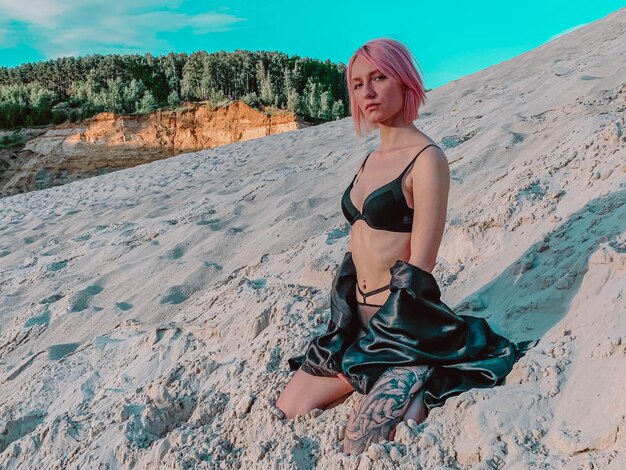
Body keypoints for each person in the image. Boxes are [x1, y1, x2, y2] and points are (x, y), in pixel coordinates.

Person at [275, 38, 533, 455]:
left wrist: (386, 341)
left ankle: (419, 369)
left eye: (379, 78)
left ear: (404, 81)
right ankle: (367, 371)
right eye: (358, 84)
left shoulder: (427, 158)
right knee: (288, 407)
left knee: (359, 443)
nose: (368, 92)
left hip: (400, 329)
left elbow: (422, 264)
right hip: (351, 326)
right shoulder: (368, 161)